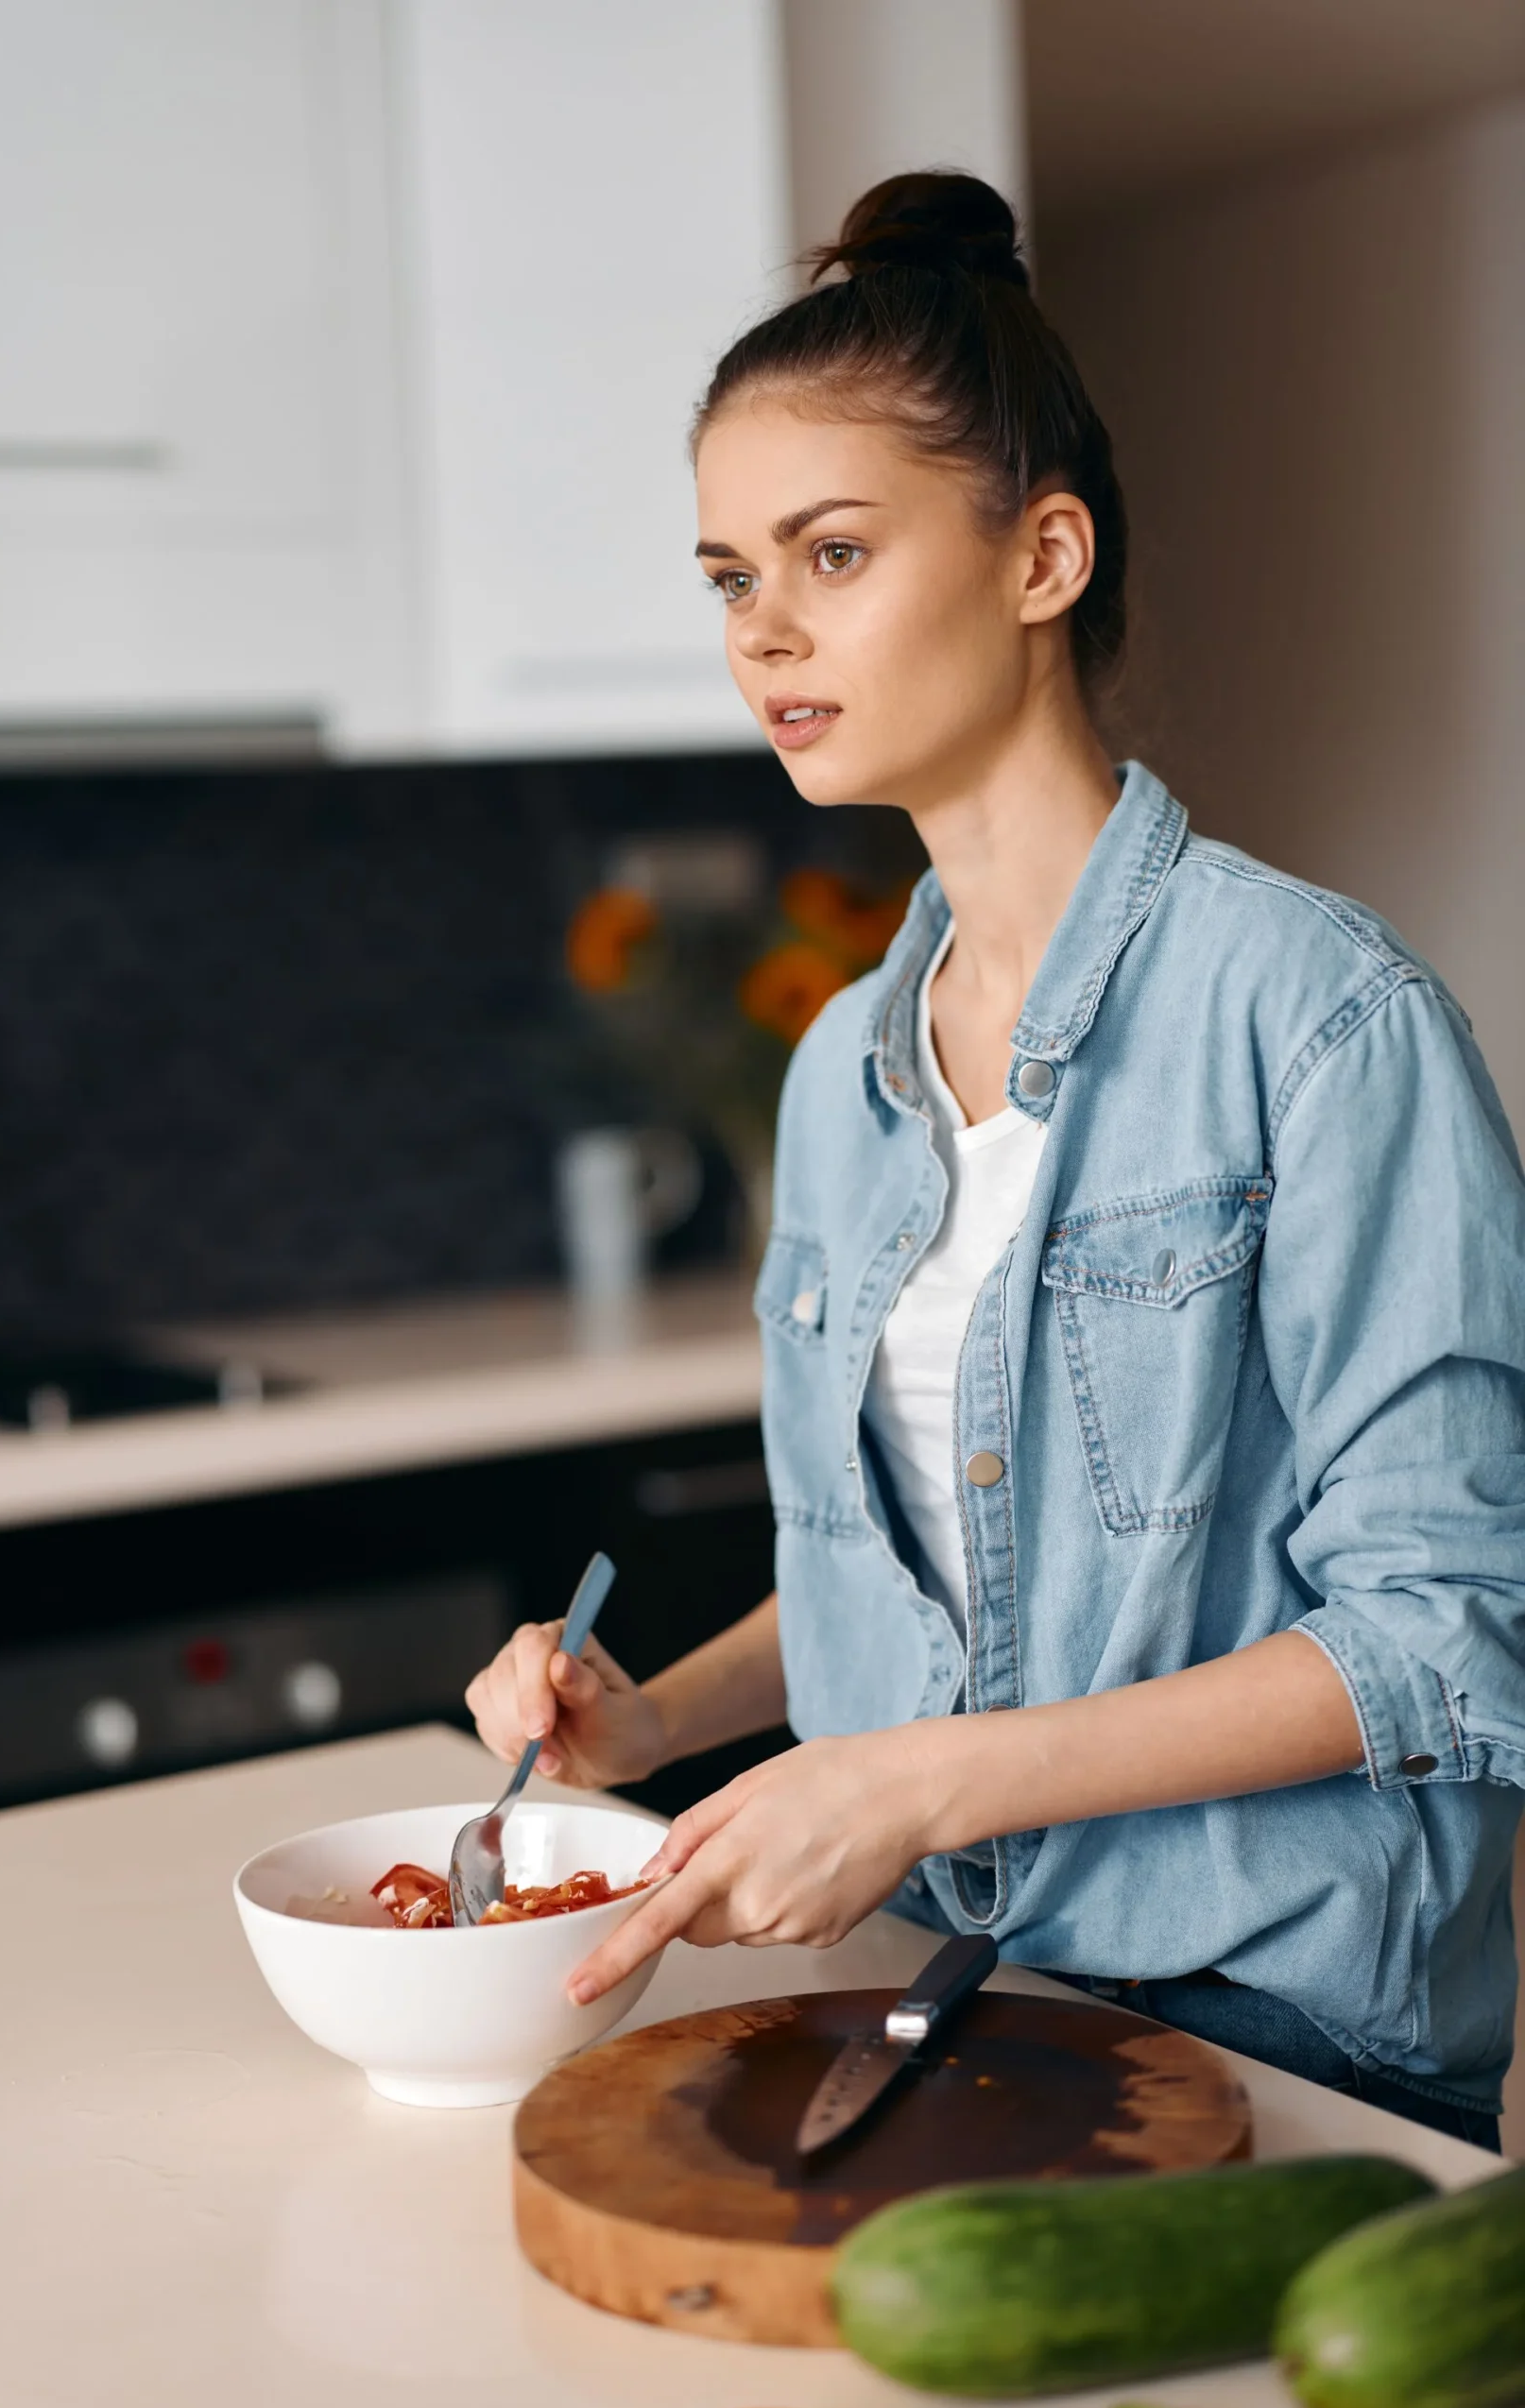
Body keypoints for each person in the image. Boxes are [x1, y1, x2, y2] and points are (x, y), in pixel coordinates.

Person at [466, 172, 1525, 2147]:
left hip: (1294, 2038)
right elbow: (941, 1572)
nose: (762, 627)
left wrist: (917, 1781)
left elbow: (1454, 1624)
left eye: (831, 551)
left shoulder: (1318, 1015)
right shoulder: (843, 1073)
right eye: (725, 575)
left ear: (1043, 556)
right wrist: (657, 1713)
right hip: (967, 1990)